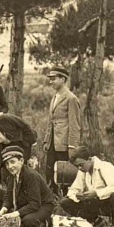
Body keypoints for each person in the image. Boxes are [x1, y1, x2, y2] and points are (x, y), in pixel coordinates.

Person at [60, 147, 114, 227]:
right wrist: (77, 195)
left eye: (81, 164)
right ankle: (97, 221)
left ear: (89, 159)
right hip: (97, 203)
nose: (79, 168)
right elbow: (73, 190)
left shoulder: (105, 166)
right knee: (65, 202)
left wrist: (96, 193)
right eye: (77, 166)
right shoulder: (83, 172)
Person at [0, 144, 57, 227]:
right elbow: (8, 196)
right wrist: (3, 210)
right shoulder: (13, 174)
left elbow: (35, 204)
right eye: (7, 164)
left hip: (43, 205)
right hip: (26, 201)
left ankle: (46, 223)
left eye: (12, 162)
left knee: (27, 221)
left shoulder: (31, 176)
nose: (10, 167)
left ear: (21, 161)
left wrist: (14, 214)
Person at [44, 65, 83, 194]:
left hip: (64, 145)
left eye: (54, 79)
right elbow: (51, 121)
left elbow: (75, 125)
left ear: (63, 79)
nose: (51, 82)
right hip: (52, 144)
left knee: (63, 174)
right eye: (50, 79)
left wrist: (72, 147)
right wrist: (46, 140)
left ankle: (64, 200)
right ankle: (51, 200)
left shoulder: (71, 99)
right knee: (49, 172)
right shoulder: (55, 97)